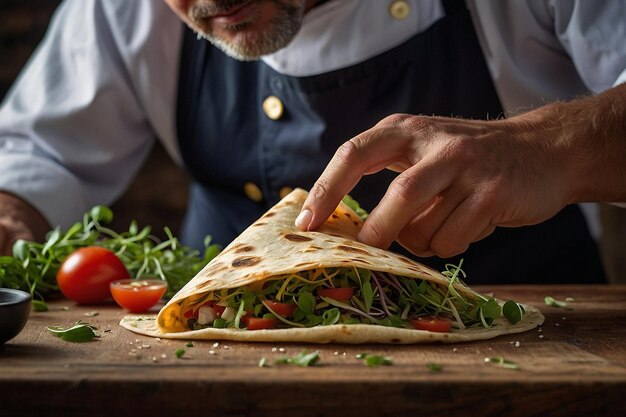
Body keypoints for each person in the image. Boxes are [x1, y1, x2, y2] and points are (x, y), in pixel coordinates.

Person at [0, 0, 624, 284]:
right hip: (211, 359)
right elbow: (38, 150)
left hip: (525, 335)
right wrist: (9, 216)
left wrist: (548, 146)